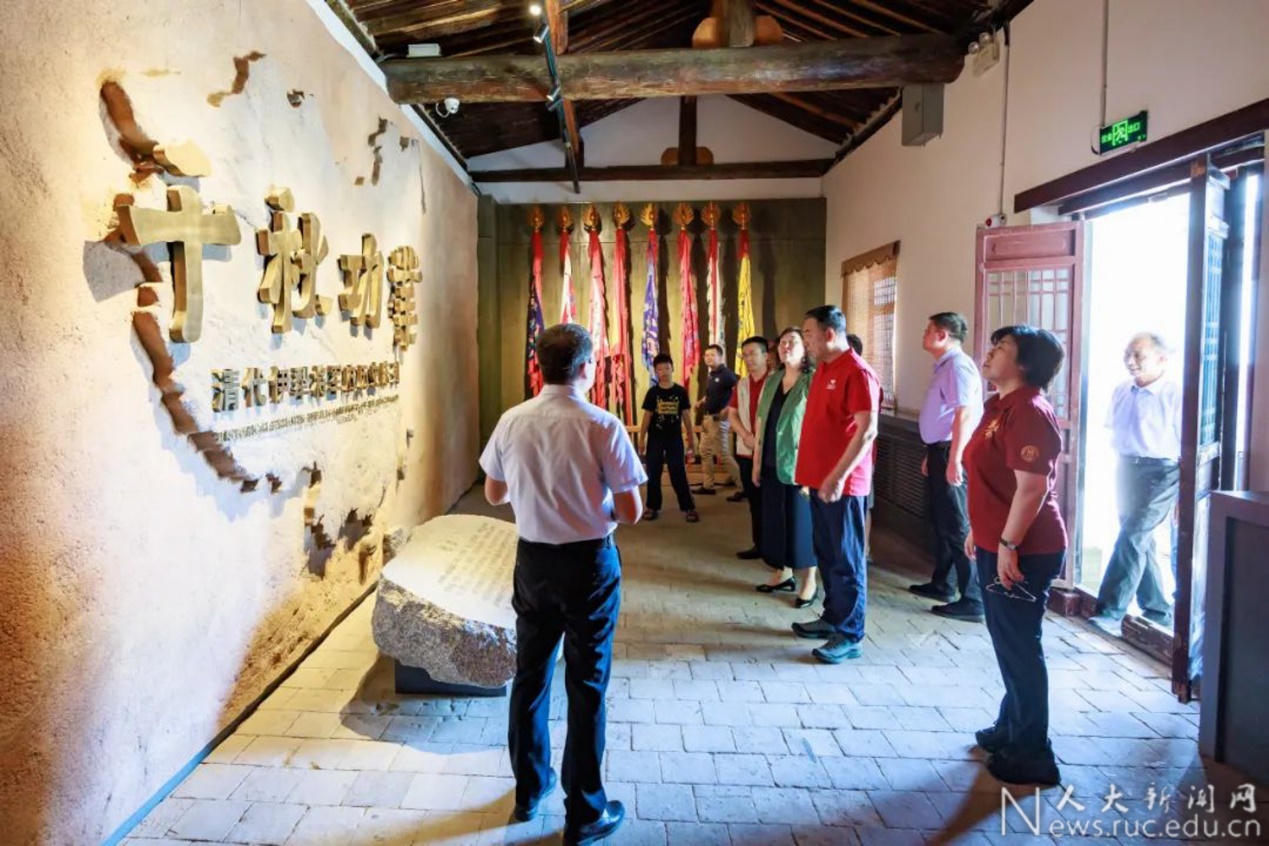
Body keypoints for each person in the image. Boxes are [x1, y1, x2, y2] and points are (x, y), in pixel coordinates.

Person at [480, 323, 644, 844]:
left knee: (530, 675)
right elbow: (632, 511)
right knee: (587, 683)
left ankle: (529, 789)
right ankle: (585, 812)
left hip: (533, 562)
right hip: (589, 564)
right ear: (586, 368)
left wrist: (536, 493)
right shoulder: (602, 425)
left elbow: (493, 494)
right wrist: (593, 505)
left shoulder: (511, 420)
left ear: (540, 367)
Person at [963, 324, 1068, 787]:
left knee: (1020, 645)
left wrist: (1007, 544)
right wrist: (981, 529)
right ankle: (1011, 725)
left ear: (1025, 364)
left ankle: (1032, 753)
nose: (989, 353)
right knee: (1008, 640)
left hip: (1026, 549)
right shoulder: (1000, 407)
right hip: (999, 542)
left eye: (1001, 348)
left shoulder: (1028, 411)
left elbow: (1032, 488)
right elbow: (995, 481)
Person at [790, 306, 880, 664]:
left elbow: (867, 430)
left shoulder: (857, 372)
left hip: (843, 485)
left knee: (847, 560)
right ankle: (832, 618)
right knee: (827, 554)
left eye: (808, 335)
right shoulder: (824, 368)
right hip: (820, 482)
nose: (806, 342)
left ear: (829, 334)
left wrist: (838, 475)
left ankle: (850, 634)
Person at [1090, 332, 1182, 634]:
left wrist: (1185, 492)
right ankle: (1157, 609)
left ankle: (1110, 611)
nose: (1130, 361)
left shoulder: (1175, 394)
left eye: (1138, 356)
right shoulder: (1122, 390)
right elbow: (1114, 430)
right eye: (1127, 355)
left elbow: (1188, 445)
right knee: (1139, 539)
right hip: (1127, 468)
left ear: (1161, 359)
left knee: (1133, 536)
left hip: (1163, 472)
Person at [910, 312, 985, 622]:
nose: (924, 334)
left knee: (957, 524)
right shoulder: (944, 366)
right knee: (942, 521)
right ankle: (943, 583)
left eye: (928, 330)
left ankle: (973, 598)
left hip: (952, 453)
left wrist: (954, 458)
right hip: (940, 450)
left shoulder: (957, 366)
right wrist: (932, 453)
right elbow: (942, 417)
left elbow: (964, 414)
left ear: (942, 335)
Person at [753, 328, 818, 607]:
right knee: (777, 522)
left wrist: (815, 470)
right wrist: (757, 462)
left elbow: (819, 427)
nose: (786, 346)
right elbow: (761, 420)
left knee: (802, 525)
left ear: (805, 349)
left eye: (793, 341)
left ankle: (810, 581)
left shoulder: (812, 380)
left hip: (800, 466)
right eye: (782, 342)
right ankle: (784, 573)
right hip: (771, 461)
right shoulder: (773, 379)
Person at [639, 353, 700, 524]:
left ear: (672, 368)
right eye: (660, 369)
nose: (664, 372)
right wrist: (642, 439)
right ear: (655, 371)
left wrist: (691, 438)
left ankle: (688, 506)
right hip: (655, 439)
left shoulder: (680, 392)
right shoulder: (653, 393)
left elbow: (686, 416)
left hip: (674, 439)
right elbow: (647, 416)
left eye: (667, 368)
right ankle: (652, 506)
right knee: (653, 472)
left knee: (677, 472)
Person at [727, 335, 770, 558]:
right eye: (745, 355)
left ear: (766, 355)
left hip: (770, 452)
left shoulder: (777, 381)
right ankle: (759, 545)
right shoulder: (742, 384)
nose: (748, 358)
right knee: (754, 501)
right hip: (746, 450)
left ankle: (775, 548)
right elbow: (732, 414)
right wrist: (745, 435)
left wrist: (760, 440)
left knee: (771, 501)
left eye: (753, 353)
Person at [692, 344, 741, 494]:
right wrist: (701, 401)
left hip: (718, 419)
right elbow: (712, 394)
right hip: (708, 418)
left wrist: (728, 408)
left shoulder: (726, 374)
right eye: (706, 355)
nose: (709, 358)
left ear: (720, 357)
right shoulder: (712, 375)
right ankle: (708, 485)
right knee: (704, 451)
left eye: (712, 355)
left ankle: (745, 487)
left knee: (723, 454)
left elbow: (740, 390)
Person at [846, 333, 876, 564]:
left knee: (863, 504)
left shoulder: (863, 376)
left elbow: (867, 428)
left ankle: (863, 549)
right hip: (841, 456)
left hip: (862, 457)